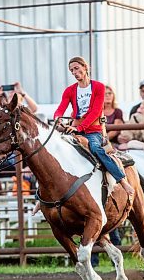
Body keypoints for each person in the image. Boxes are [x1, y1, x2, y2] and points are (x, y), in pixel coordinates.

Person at [54, 56, 134, 196]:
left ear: (85, 68)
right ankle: (41, 196)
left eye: (77, 68)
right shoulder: (69, 90)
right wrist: (57, 118)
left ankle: (122, 181)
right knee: (54, 151)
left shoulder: (98, 87)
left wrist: (79, 128)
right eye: (72, 70)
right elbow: (61, 108)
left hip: (92, 131)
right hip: (76, 129)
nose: (74, 72)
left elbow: (96, 112)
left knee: (97, 149)